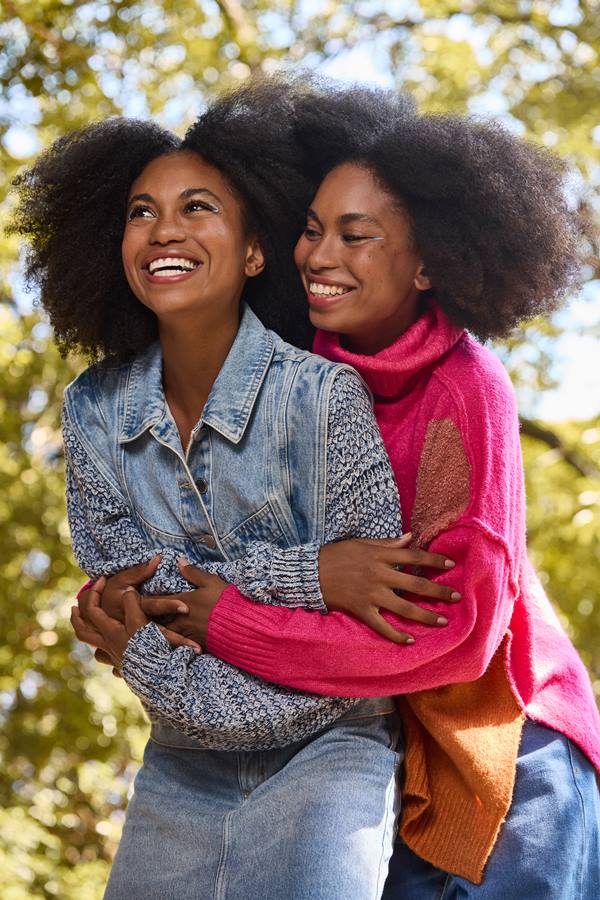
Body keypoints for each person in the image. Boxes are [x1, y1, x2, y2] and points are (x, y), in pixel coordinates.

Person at [118, 83, 600, 897]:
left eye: (356, 235)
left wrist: (231, 621)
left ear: (429, 264)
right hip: (383, 755)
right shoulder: (291, 378)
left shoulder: (464, 389)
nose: (317, 256)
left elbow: (454, 636)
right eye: (310, 230)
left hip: (513, 753)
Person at [11, 83, 458, 899]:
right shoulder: (92, 409)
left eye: (198, 207)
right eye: (142, 212)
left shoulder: (325, 399)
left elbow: (371, 626)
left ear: (256, 252)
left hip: (333, 754)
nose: (165, 229)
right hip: (180, 767)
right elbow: (130, 599)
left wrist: (152, 646)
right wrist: (311, 576)